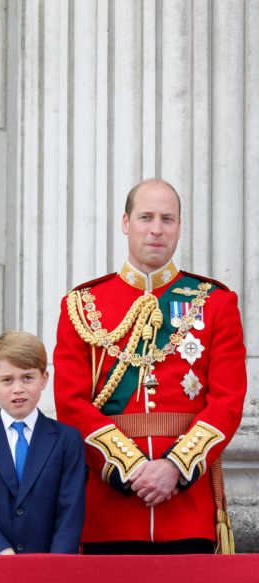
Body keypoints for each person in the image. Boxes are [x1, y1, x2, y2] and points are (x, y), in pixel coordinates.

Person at [53, 179, 247, 554]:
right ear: (126, 223)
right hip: (109, 512)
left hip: (187, 510)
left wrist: (174, 468)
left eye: (167, 219)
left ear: (179, 227)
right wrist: (132, 470)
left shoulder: (216, 303)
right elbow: (71, 403)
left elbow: (227, 402)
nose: (157, 229)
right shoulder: (82, 304)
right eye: (146, 218)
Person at [0, 332, 86, 554]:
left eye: (27, 378)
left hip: (46, 566)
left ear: (44, 379)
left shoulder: (67, 439)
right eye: (7, 380)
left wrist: (56, 564)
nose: (18, 389)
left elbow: (70, 509)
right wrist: (1, 550)